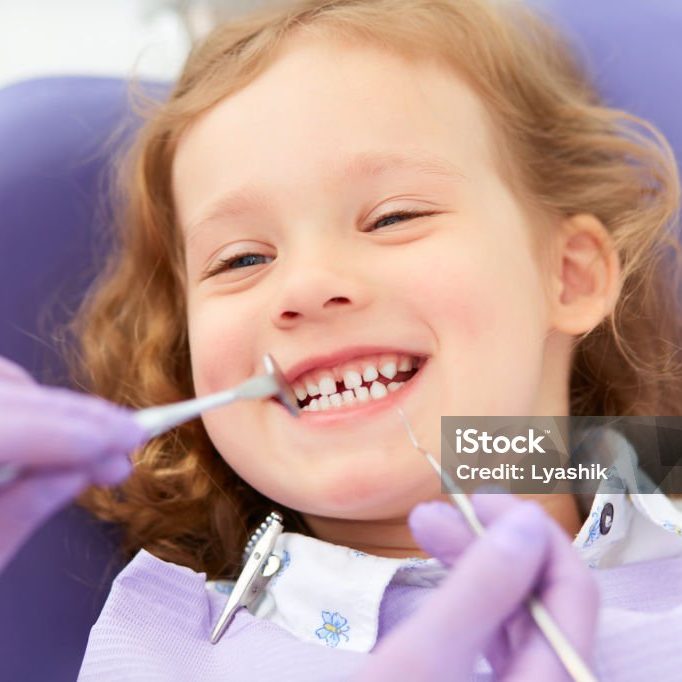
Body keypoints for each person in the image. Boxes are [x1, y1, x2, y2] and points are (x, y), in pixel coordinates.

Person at [3, 0, 682, 678]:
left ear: (569, 276)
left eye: (392, 217)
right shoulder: (159, 657)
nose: (305, 287)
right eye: (242, 259)